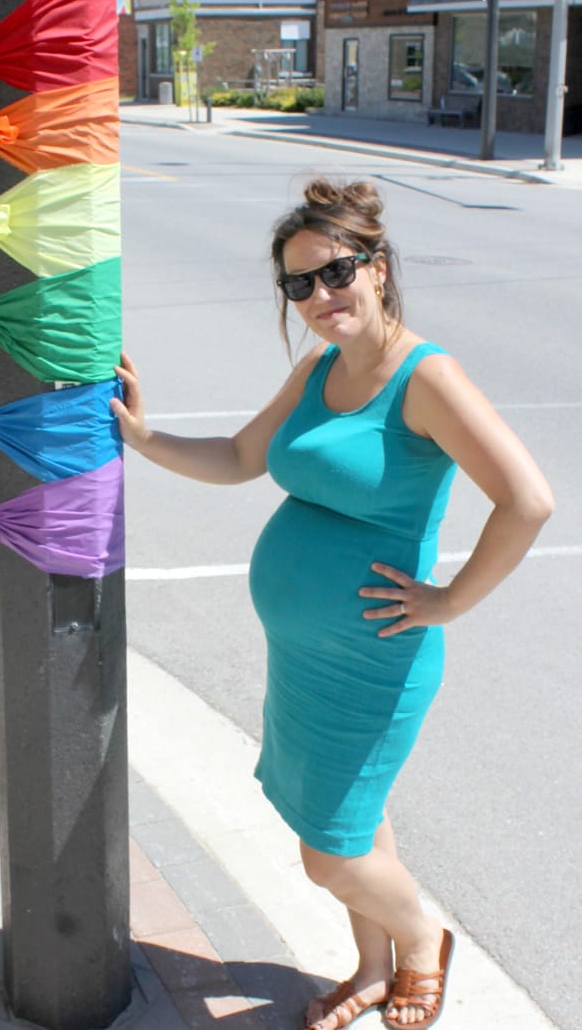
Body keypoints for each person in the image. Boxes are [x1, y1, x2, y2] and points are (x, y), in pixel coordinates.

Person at [110, 179, 553, 1030]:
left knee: (330, 849)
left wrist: (451, 599)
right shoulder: (320, 364)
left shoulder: (427, 378)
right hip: (305, 658)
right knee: (358, 820)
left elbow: (527, 499)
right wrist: (143, 436)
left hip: (374, 660)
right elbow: (244, 454)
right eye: (298, 284)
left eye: (336, 273)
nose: (320, 297)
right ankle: (372, 966)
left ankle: (422, 942)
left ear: (378, 268)